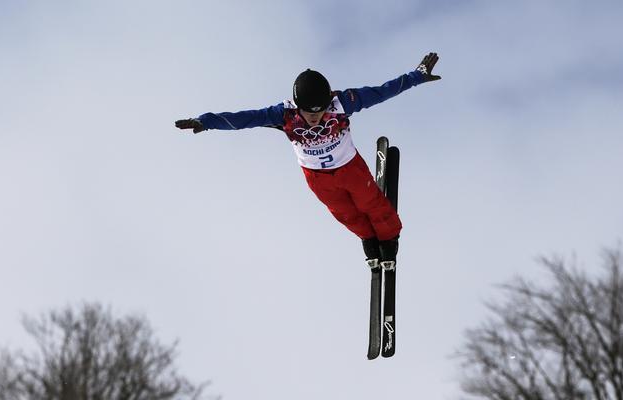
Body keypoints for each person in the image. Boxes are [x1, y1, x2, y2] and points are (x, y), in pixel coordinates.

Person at [175, 52, 441, 266]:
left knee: (370, 202)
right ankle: (369, 240)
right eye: (309, 113)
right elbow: (245, 118)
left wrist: (416, 76)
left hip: (349, 167)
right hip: (317, 178)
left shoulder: (342, 103)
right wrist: (206, 122)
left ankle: (388, 238)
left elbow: (381, 91)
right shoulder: (284, 116)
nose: (315, 117)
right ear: (297, 105)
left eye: (320, 111)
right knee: (344, 212)